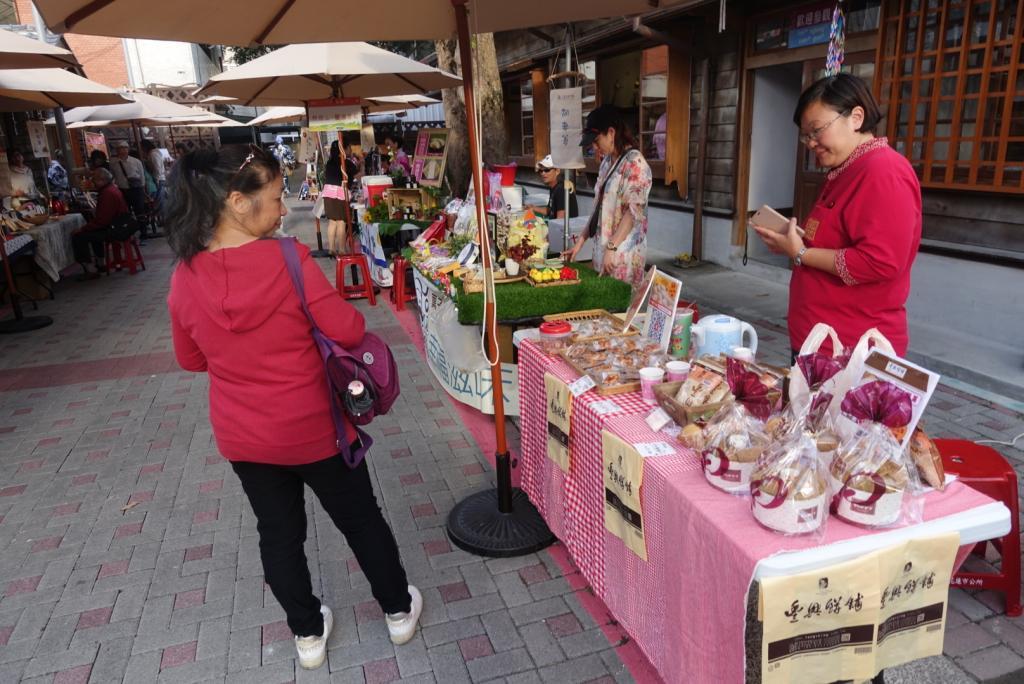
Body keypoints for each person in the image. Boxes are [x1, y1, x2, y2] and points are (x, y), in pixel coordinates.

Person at [164, 145, 422, 671]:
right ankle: (398, 611)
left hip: (244, 437)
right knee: (359, 519)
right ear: (238, 202)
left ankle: (307, 636)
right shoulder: (287, 259)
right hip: (314, 429)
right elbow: (348, 330)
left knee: (278, 534)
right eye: (277, 198)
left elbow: (191, 360)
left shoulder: (183, 277)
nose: (284, 209)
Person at [750, 73, 921, 357]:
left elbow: (878, 262)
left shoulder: (883, 171)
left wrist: (800, 252)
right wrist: (792, 242)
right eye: (806, 135)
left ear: (855, 117)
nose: (810, 142)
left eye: (817, 130)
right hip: (821, 341)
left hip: (851, 349)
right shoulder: (844, 170)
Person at [564, 105, 653, 289]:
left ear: (611, 133)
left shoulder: (635, 163)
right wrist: (580, 242)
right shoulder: (606, 163)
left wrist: (612, 247)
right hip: (604, 252)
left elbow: (633, 212)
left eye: (597, 141)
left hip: (622, 256)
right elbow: (599, 207)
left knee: (621, 310)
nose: (595, 147)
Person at [70, 168, 129, 279]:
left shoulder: (107, 193)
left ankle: (89, 269)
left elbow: (102, 221)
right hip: (118, 225)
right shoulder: (111, 189)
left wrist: (83, 229)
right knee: (91, 232)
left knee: (79, 236)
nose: (92, 182)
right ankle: (100, 263)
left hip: (114, 229)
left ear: (102, 180)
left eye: (95, 179)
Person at [529, 154, 578, 220]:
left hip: (563, 229)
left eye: (547, 170)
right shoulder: (554, 187)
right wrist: (533, 208)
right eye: (541, 170)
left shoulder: (561, 189)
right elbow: (549, 210)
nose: (543, 173)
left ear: (557, 171)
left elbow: (560, 220)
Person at [321, 140, 348, 255]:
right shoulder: (343, 162)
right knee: (341, 222)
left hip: (327, 192)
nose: (350, 150)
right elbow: (357, 174)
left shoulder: (329, 162)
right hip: (339, 193)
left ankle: (331, 248)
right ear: (343, 149)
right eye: (349, 147)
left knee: (332, 222)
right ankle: (341, 249)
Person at [110, 141, 147, 223]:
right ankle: (130, 231)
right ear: (117, 150)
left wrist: (142, 188)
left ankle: (143, 231)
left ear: (128, 149)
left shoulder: (136, 161)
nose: (123, 150)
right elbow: (112, 176)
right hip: (122, 190)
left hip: (136, 189)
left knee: (139, 210)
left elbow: (142, 175)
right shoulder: (113, 163)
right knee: (125, 211)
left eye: (125, 148)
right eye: (121, 148)